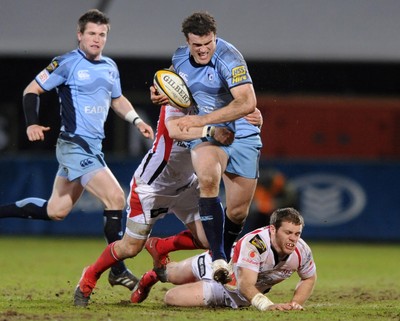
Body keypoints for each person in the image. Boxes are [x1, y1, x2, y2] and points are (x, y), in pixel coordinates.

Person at [0, 9, 154, 290]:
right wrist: (32, 124)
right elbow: (31, 90)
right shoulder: (66, 63)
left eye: (102, 34)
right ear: (80, 35)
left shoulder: (109, 66)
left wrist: (136, 121)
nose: (97, 39)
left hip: (92, 148)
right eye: (92, 34)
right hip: (74, 145)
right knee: (115, 197)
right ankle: (117, 269)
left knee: (57, 210)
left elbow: (117, 100)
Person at [73, 102, 246, 307]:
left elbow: (239, 103)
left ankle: (161, 246)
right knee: (129, 248)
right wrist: (211, 130)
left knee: (210, 239)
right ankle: (89, 276)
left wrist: (252, 114)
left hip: (187, 185)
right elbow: (175, 131)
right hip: (152, 187)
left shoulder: (210, 101)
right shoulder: (173, 102)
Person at [150, 11, 262, 284]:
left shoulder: (229, 57)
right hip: (208, 136)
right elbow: (175, 90)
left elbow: (246, 103)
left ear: (215, 36)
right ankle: (220, 260)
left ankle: (202, 254)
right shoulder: (178, 58)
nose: (203, 50)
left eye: (208, 43)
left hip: (242, 133)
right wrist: (159, 92)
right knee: (208, 179)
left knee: (237, 212)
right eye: (196, 45)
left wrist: (201, 118)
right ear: (187, 42)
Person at [133, 207, 317, 311]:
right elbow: (246, 285)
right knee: (169, 274)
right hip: (217, 265)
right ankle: (150, 277)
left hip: (229, 292)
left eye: (297, 233)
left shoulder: (302, 251)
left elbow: (309, 276)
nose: (293, 239)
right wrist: (267, 306)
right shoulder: (256, 244)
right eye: (288, 233)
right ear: (273, 230)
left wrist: (296, 303)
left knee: (171, 297)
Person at [242, 168, 299, 234]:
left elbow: (290, 200)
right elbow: (261, 205)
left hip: (282, 209)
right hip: (264, 214)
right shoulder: (259, 187)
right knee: (259, 215)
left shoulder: (284, 187)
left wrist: (276, 204)